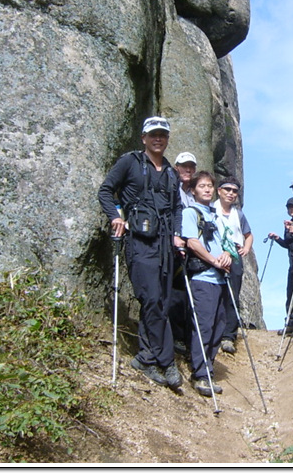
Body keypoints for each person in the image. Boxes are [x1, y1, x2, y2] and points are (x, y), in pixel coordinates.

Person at [98, 116, 184, 389]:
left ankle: (146, 357)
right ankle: (167, 361)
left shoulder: (171, 172)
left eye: (163, 135)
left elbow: (177, 207)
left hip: (165, 245)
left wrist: (178, 234)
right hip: (139, 241)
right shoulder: (130, 162)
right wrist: (116, 216)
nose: (158, 139)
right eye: (153, 134)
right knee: (152, 299)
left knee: (160, 301)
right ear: (144, 138)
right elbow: (105, 191)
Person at [181, 171, 233, 397]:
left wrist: (227, 257)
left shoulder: (214, 216)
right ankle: (200, 374)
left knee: (219, 325)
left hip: (220, 278)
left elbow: (224, 243)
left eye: (210, 186)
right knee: (203, 326)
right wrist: (214, 261)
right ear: (193, 190)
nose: (207, 189)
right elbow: (192, 242)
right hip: (202, 278)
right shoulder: (190, 213)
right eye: (202, 186)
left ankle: (208, 368)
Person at [213, 176, 253, 355]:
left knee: (233, 294)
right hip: (215, 255)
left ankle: (229, 335)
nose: (230, 193)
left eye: (234, 191)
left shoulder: (239, 214)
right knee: (214, 293)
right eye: (227, 189)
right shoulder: (210, 209)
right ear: (219, 190)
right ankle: (214, 331)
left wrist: (246, 248)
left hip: (235, 256)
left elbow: (248, 234)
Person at [170, 152, 198, 356]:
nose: (188, 170)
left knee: (189, 294)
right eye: (184, 166)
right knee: (176, 293)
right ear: (177, 167)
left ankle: (188, 338)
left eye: (191, 166)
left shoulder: (194, 193)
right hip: (174, 246)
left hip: (192, 249)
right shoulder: (172, 187)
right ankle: (176, 337)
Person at [269, 195, 293, 334]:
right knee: (291, 293)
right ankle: (290, 322)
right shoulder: (289, 224)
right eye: (290, 208)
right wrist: (277, 238)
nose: (292, 210)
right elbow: (288, 244)